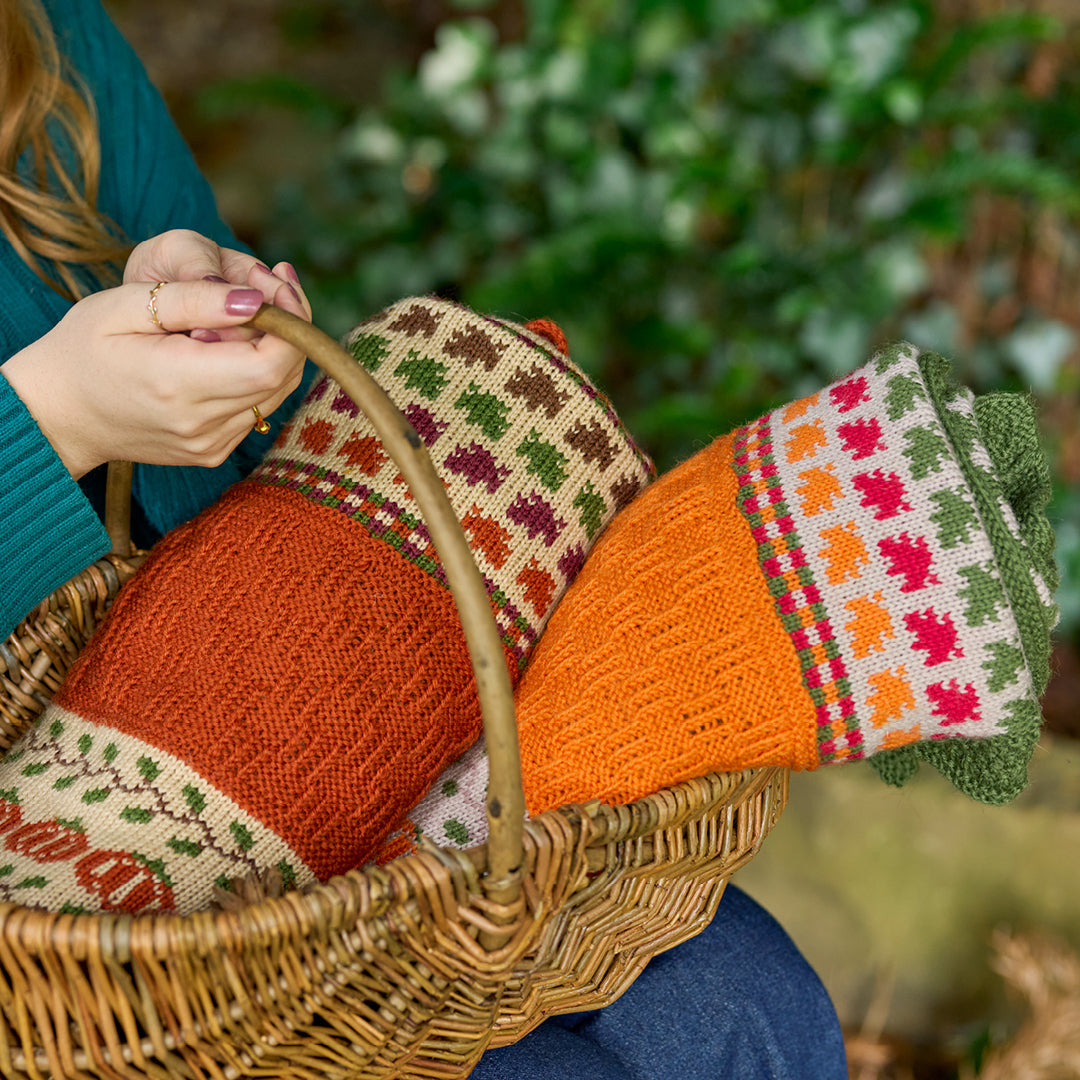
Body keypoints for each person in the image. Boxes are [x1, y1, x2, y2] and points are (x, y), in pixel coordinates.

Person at [0, 0, 849, 1075]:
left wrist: (205, 312)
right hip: (63, 959)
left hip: (264, 718)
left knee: (750, 1014)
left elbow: (262, 447)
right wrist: (53, 418)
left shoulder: (45, 38)